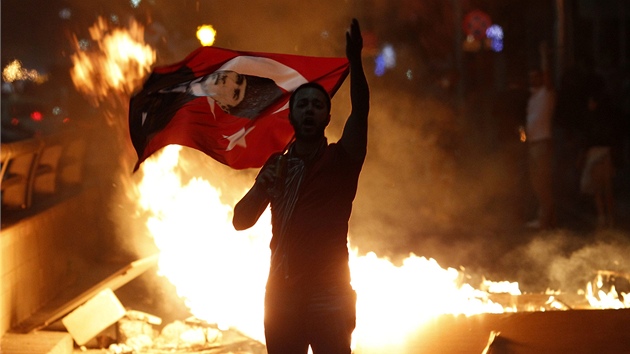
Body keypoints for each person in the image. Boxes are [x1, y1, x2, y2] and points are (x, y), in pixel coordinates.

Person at [232, 18, 368, 354]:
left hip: (330, 293)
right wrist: (260, 187)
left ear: (327, 118)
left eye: (317, 105)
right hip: (282, 294)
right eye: (302, 104)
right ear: (292, 116)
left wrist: (356, 62)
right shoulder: (277, 166)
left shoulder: (342, 160)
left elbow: (361, 111)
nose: (309, 110)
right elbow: (240, 221)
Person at [524, 42, 556, 230]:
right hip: (534, 143)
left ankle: (546, 218)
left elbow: (549, 78)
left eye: (536, 77)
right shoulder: (533, 96)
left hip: (542, 143)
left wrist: (544, 57)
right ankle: (546, 217)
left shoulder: (547, 94)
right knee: (537, 182)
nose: (533, 80)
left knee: (542, 182)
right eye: (531, 78)